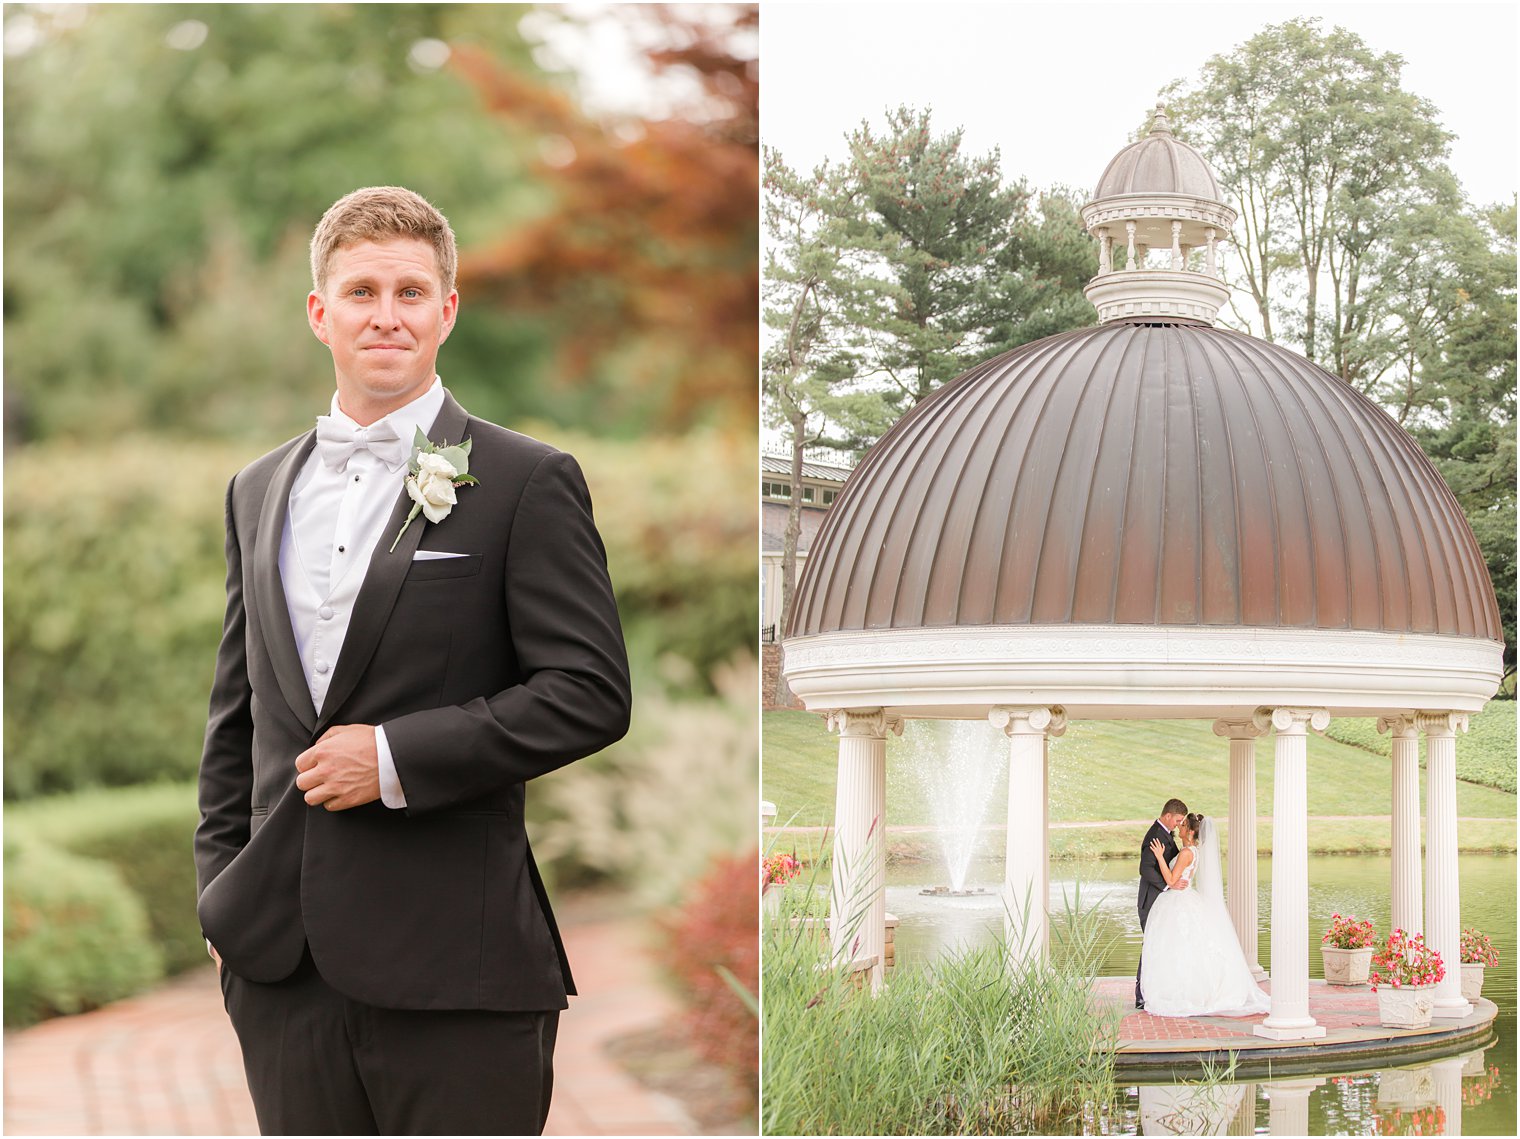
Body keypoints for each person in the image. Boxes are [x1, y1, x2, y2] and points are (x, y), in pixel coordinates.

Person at [193, 186, 632, 1135]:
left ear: (447, 309)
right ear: (320, 313)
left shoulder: (525, 480)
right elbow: (238, 715)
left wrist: (392, 756)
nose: (385, 314)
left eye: (409, 290)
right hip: (282, 974)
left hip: (456, 971)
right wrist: (220, 900)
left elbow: (590, 692)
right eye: (360, 292)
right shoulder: (256, 488)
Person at [1139, 812, 1271, 1018]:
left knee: (1176, 947)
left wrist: (1158, 857)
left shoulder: (1186, 853)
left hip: (1178, 900)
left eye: (1182, 826)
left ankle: (1185, 992)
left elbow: (1173, 881)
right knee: (1184, 948)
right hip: (1184, 898)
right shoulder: (1193, 850)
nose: (1179, 828)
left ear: (1190, 832)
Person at [1135, 798, 1188, 1009]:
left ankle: (1157, 989)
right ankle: (1141, 994)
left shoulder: (1165, 833)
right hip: (1151, 901)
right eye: (1177, 820)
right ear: (1168, 816)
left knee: (1160, 945)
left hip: (1163, 902)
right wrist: (1168, 886)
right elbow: (1145, 869)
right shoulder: (1155, 836)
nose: (1178, 824)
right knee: (1150, 945)